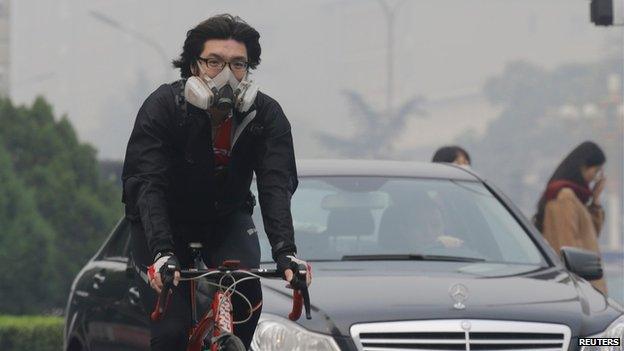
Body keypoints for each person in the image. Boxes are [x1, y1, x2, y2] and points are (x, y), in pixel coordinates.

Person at [121, 14, 310, 350]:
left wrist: (286, 252)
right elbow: (146, 185)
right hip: (164, 223)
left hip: (226, 218)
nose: (227, 74)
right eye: (214, 62)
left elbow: (275, 184)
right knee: (170, 332)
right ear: (194, 66)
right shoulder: (163, 108)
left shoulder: (265, 116)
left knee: (247, 297)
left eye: (238, 64)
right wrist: (163, 252)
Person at [533, 141, 607, 293]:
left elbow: (591, 235)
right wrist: (579, 289)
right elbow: (567, 247)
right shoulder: (564, 197)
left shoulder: (575, 198)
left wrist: (596, 201)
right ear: (583, 166)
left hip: (584, 286)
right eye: (596, 170)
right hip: (580, 288)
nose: (595, 178)